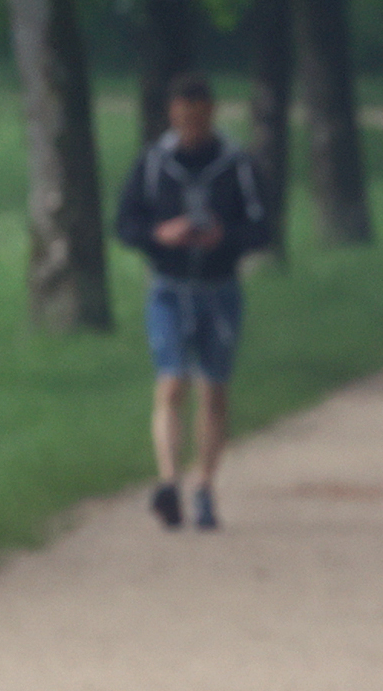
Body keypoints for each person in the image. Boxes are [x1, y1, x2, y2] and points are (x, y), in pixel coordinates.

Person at [112, 73, 275, 530]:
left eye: (199, 119)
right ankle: (169, 481)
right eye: (184, 119)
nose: (192, 128)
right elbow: (125, 223)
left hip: (220, 287)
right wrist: (160, 234)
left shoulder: (236, 164)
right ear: (172, 115)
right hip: (168, 285)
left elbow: (262, 227)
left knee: (214, 390)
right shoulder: (153, 163)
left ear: (212, 113)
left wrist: (225, 238)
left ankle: (204, 483)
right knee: (171, 382)